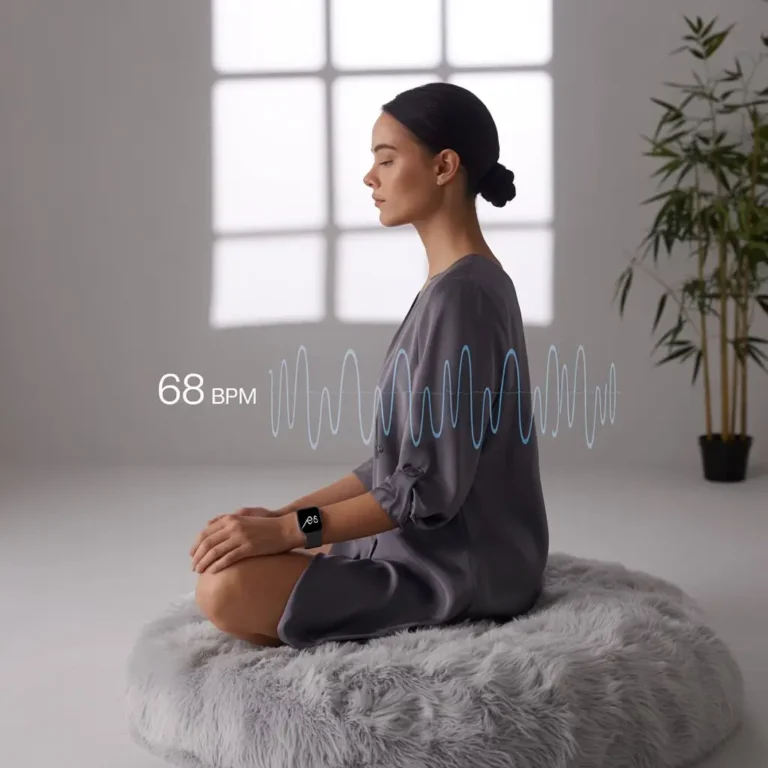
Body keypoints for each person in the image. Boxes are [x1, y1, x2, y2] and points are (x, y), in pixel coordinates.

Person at [191, 82, 549, 649]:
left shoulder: (463, 296)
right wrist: (286, 517)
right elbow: (396, 464)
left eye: (386, 158)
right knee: (240, 559)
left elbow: (427, 488)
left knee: (223, 591)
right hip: (440, 544)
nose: (369, 177)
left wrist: (290, 531)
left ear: (444, 166)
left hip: (462, 568)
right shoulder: (456, 286)